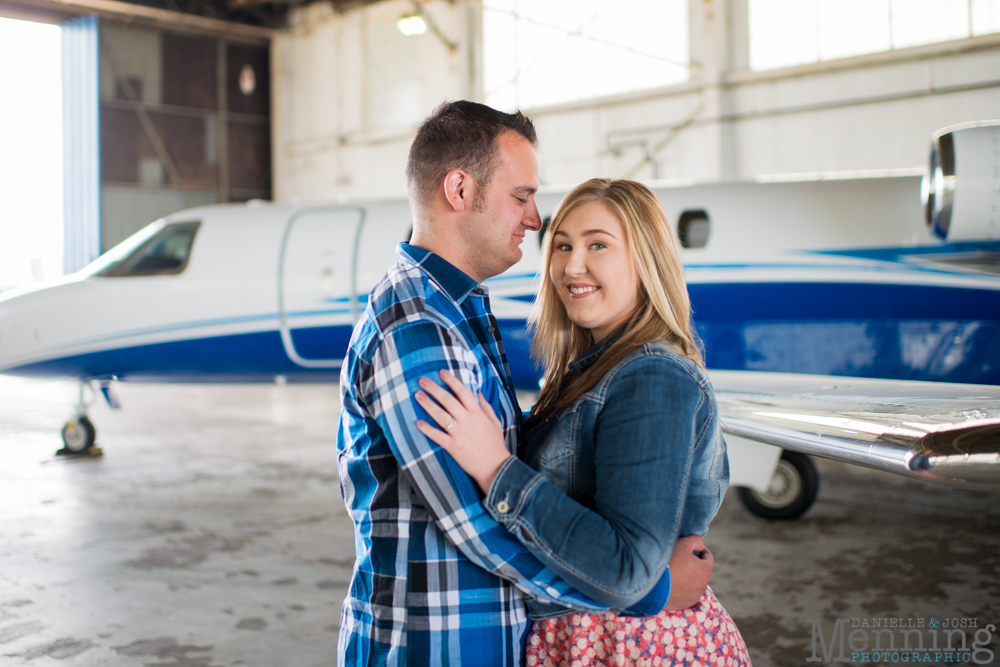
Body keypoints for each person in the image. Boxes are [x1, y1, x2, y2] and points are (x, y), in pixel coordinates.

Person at [336, 103, 713, 666]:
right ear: (459, 189)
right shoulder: (421, 329)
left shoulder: (460, 314)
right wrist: (651, 591)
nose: (535, 220)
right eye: (521, 197)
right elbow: (478, 527)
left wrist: (635, 584)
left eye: (598, 244)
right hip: (433, 648)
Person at [413, 178, 751, 666]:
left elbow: (627, 570)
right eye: (562, 245)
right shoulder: (593, 370)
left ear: (646, 259)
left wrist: (494, 466)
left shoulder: (652, 376)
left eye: (598, 245)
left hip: (636, 646)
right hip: (586, 639)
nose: (572, 266)